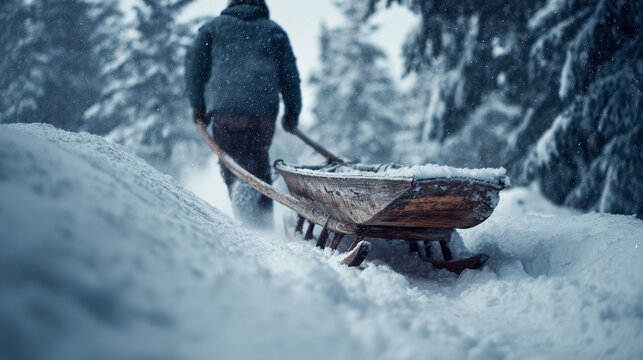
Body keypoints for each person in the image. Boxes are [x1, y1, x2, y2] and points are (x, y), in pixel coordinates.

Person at [185, 0, 301, 228]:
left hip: (225, 112)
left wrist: (198, 105)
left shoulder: (212, 28)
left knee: (231, 163)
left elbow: (194, 68)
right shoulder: (274, 31)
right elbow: (290, 76)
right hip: (262, 114)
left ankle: (243, 213)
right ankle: (264, 222)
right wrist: (292, 113)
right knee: (258, 161)